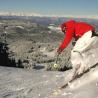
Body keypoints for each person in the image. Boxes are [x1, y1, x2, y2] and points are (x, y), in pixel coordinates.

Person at [57, 20, 98, 88]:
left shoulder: (69, 26)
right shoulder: (75, 26)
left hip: (89, 35)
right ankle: (87, 63)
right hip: (94, 37)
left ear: (64, 28)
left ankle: (80, 67)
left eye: (64, 32)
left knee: (75, 51)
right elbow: (78, 38)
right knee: (83, 51)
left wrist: (61, 48)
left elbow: (68, 37)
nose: (65, 33)